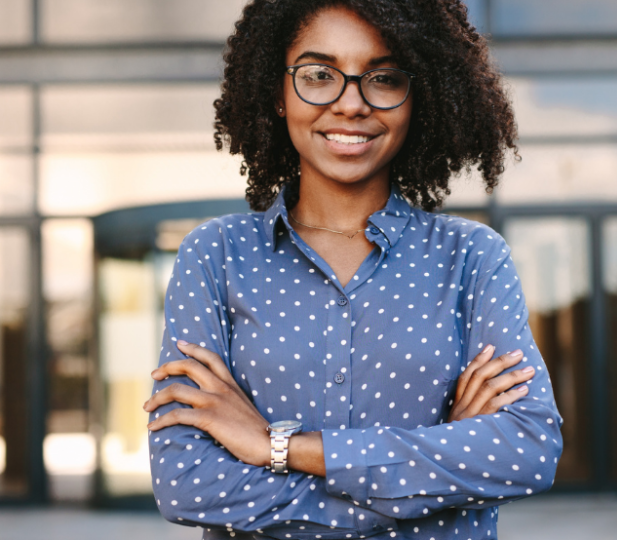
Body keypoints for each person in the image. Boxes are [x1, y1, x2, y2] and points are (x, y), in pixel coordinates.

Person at [141, 1, 563, 538]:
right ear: (277, 91)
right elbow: (187, 482)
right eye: (319, 75)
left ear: (420, 96)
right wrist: (433, 475)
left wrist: (279, 448)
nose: (351, 104)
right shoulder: (216, 255)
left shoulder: (472, 257)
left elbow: (526, 450)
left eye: (383, 78)